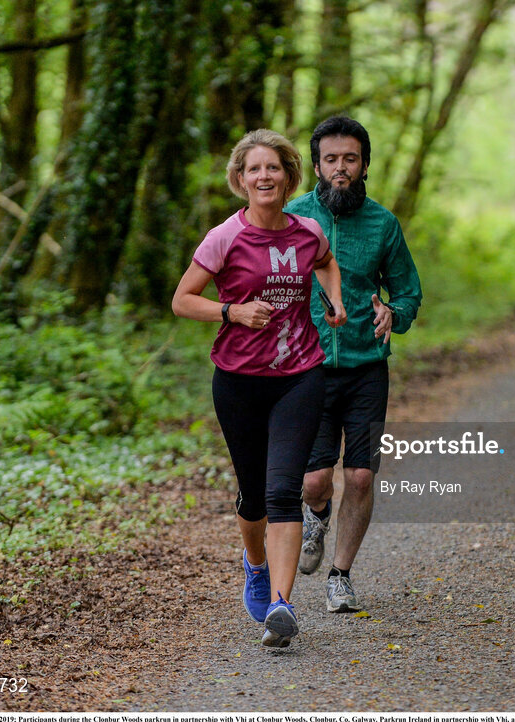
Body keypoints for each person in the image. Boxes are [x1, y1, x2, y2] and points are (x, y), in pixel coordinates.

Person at [172, 129, 347, 648]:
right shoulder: (225, 237)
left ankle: (281, 604)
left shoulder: (307, 231)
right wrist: (232, 311)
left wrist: (333, 302)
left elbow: (326, 263)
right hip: (239, 383)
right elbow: (183, 300)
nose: (264, 176)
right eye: (254, 169)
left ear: (289, 176)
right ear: (241, 179)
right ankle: (254, 565)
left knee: (282, 491)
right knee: (253, 497)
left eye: (273, 168)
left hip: (299, 375)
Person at [285, 116, 422, 613]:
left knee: (361, 477)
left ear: (365, 164)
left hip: (367, 365)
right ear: (317, 166)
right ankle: (315, 513)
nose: (340, 168)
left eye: (350, 159)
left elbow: (409, 292)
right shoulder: (292, 217)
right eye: (331, 159)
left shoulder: (383, 224)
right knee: (315, 481)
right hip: (308, 365)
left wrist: (394, 311)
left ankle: (340, 576)